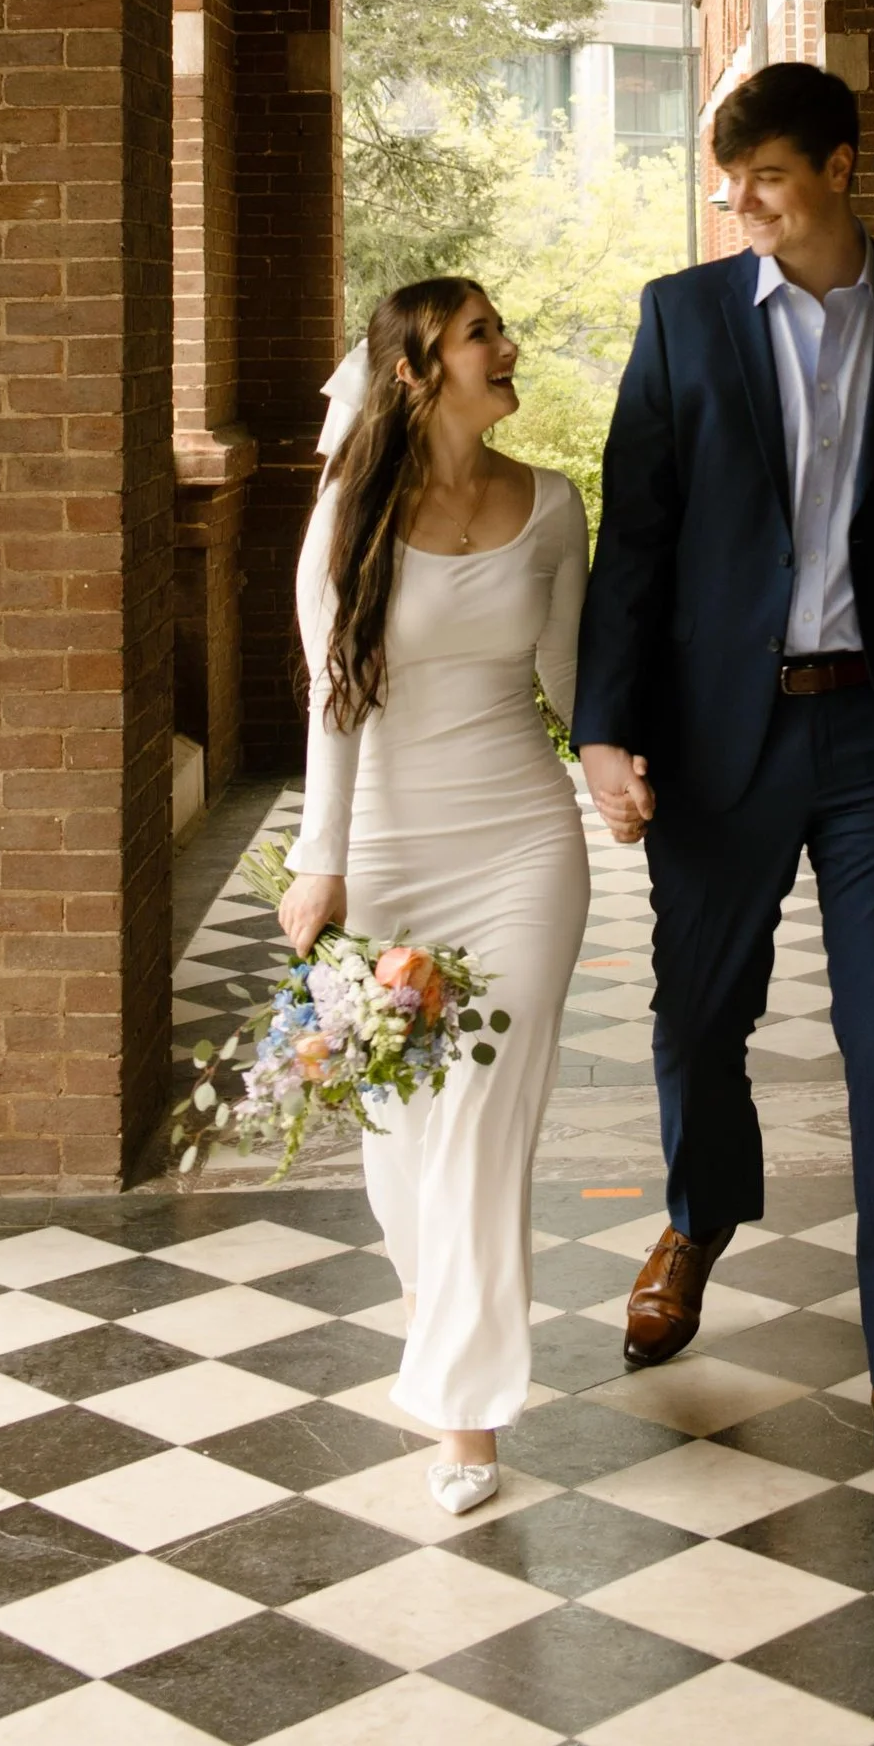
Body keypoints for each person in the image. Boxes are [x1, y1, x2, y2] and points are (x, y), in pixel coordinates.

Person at [571, 60, 874, 1497]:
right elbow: (636, 542)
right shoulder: (683, 318)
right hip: (722, 736)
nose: (741, 201)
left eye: (765, 173)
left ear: (836, 163)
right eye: (729, 178)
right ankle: (700, 1214)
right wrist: (605, 728)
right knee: (699, 1013)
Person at [282, 276, 589, 1513]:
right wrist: (322, 857)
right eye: (480, 336)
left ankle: (464, 1411)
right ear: (417, 371)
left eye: (499, 329)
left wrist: (631, 765)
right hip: (396, 848)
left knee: (479, 1118)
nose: (506, 348)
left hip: (525, 843)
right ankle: (429, 1290)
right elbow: (333, 697)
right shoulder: (348, 516)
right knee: (404, 1122)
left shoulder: (556, 505)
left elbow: (570, 687)